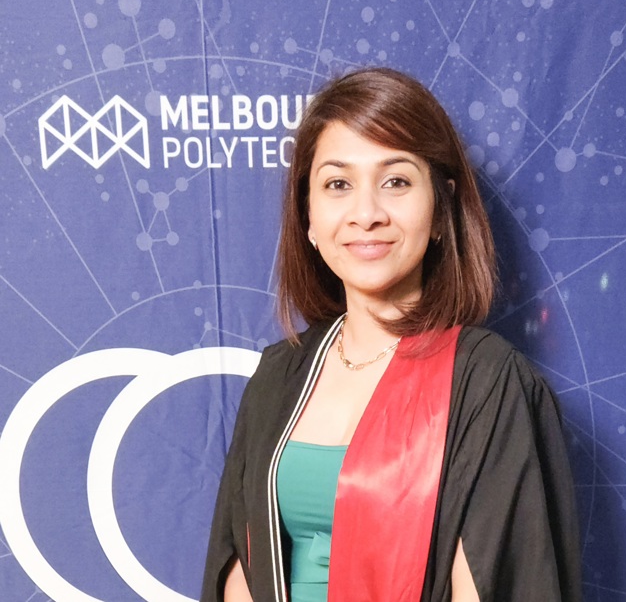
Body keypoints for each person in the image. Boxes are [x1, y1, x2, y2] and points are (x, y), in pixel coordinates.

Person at [200, 68, 582, 602]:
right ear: (308, 216)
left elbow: (494, 582)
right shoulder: (278, 375)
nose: (366, 214)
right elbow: (240, 569)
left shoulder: (483, 382)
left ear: (441, 210)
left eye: (396, 181)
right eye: (337, 184)